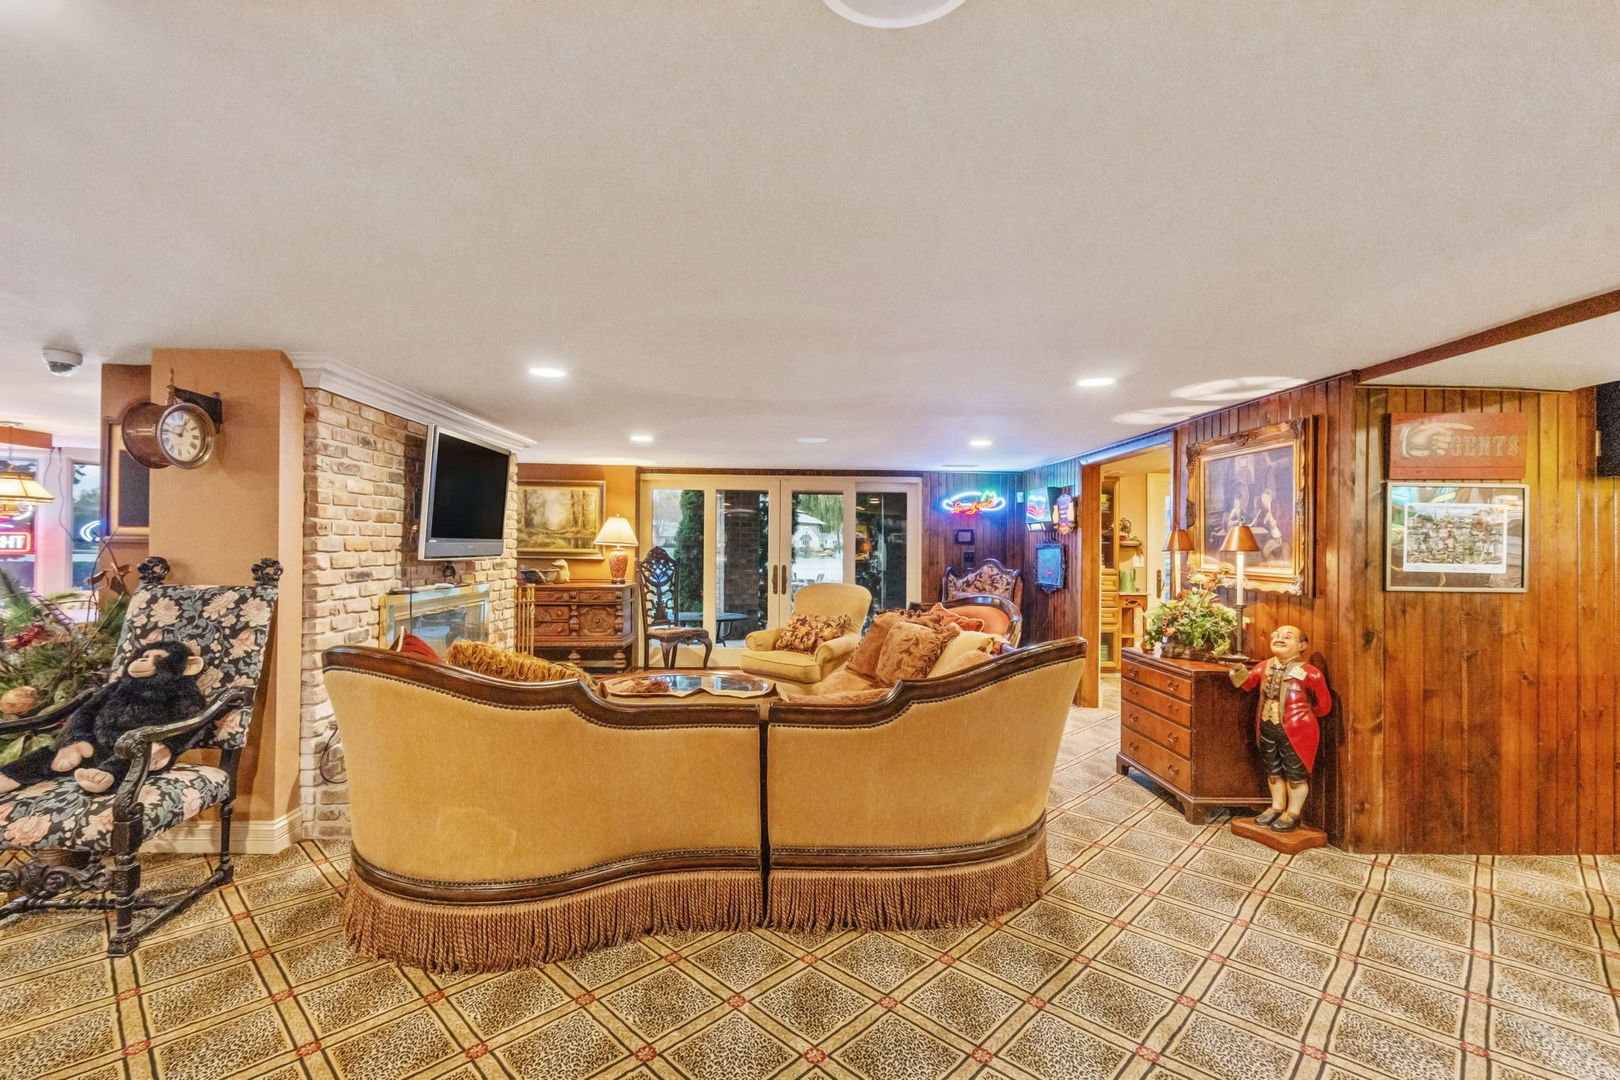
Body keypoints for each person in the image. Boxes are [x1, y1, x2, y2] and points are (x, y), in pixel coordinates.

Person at [1227, 624, 1331, 833]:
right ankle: (1276, 806)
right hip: (1267, 726)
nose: (1280, 639)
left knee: (1295, 774)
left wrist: (1303, 717)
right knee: (1273, 770)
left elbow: (1323, 706)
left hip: (1297, 731)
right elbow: (1247, 684)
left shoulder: (1310, 673)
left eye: (1288, 637)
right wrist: (1237, 670)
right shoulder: (1264, 666)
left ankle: (1293, 812)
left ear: (1302, 646)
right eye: (1277, 635)